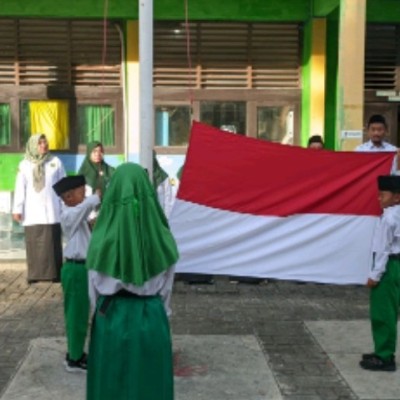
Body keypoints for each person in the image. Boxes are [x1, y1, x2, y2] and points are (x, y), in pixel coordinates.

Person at [85, 163, 178, 400]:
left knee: (110, 385)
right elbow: (167, 289)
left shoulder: (99, 238)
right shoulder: (162, 237)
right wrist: (161, 313)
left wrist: (99, 315)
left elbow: (93, 292)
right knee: (150, 384)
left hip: (110, 317)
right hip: (151, 316)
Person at [52, 175, 101, 372]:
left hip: (83, 268)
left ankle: (76, 351)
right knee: (76, 315)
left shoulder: (76, 213)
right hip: (75, 269)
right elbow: (83, 209)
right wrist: (95, 198)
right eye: (82, 191)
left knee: (80, 313)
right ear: (69, 197)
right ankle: (74, 358)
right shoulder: (68, 214)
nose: (85, 194)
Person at [12, 134, 66, 284]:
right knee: (33, 242)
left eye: (45, 142)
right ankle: (35, 275)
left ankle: (54, 274)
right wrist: (17, 208)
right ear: (33, 145)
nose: (43, 145)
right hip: (32, 211)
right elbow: (20, 188)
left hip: (51, 209)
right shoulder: (24, 165)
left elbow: (63, 186)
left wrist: (65, 205)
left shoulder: (55, 162)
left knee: (52, 242)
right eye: (40, 143)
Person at [359, 175, 400, 372]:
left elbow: (384, 249)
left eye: (382, 194)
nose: (379, 198)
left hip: (389, 267)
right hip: (396, 266)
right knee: (390, 311)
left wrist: (375, 276)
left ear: (396, 197)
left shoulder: (390, 217)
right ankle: (384, 351)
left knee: (383, 312)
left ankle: (384, 357)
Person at [153, 151, 175, 219]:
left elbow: (168, 201)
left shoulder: (164, 178)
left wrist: (166, 220)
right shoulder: (141, 177)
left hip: (160, 217)